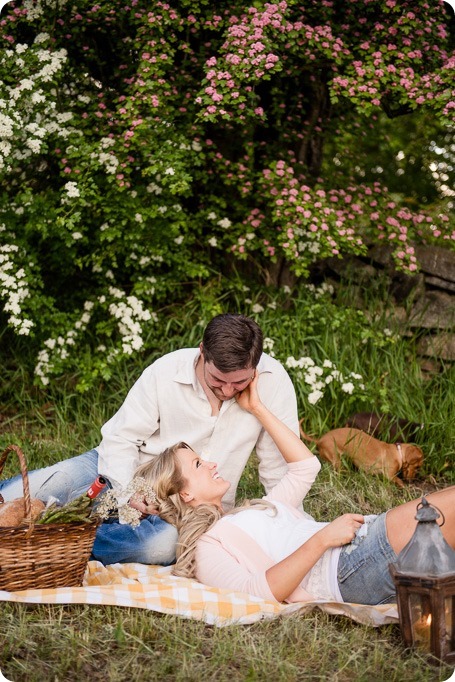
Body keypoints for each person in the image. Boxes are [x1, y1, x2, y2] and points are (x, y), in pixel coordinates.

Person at [0, 313, 299, 566]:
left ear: (255, 367)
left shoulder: (274, 384)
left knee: (161, 547)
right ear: (202, 353)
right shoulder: (166, 371)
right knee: (23, 491)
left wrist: (289, 528)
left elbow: (279, 469)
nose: (229, 390)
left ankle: (64, 539)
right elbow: (120, 439)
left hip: (187, 504)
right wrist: (129, 492)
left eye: (240, 382)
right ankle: (58, 520)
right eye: (218, 380)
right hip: (119, 470)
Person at [135, 372, 455, 605]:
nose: (211, 464)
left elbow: (306, 466)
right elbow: (261, 591)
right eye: (197, 465)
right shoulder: (208, 546)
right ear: (185, 495)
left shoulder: (255, 509)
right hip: (349, 564)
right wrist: (322, 539)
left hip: (362, 542)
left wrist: (257, 408)